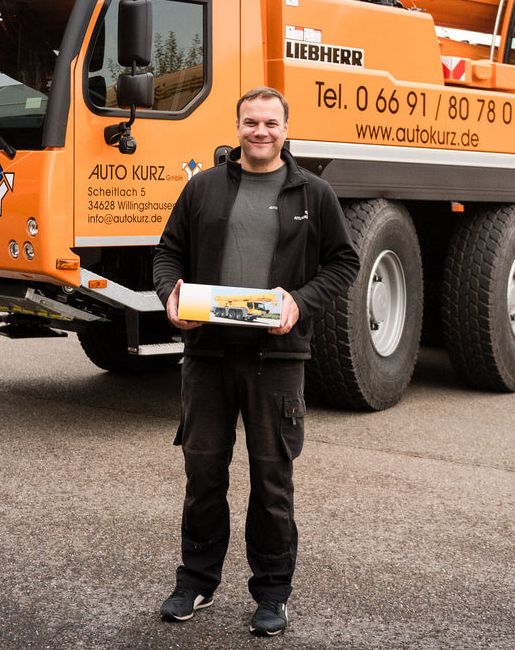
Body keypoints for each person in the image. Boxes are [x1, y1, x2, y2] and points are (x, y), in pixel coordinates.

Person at [152, 86, 360, 637]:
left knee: (271, 481)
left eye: (270, 123)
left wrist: (300, 302)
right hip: (208, 356)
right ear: (237, 126)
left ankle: (272, 593)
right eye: (251, 122)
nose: (260, 132)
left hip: (278, 359)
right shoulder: (203, 188)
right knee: (203, 476)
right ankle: (195, 582)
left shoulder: (314, 193)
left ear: (286, 129)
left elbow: (344, 263)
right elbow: (168, 252)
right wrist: (171, 295)